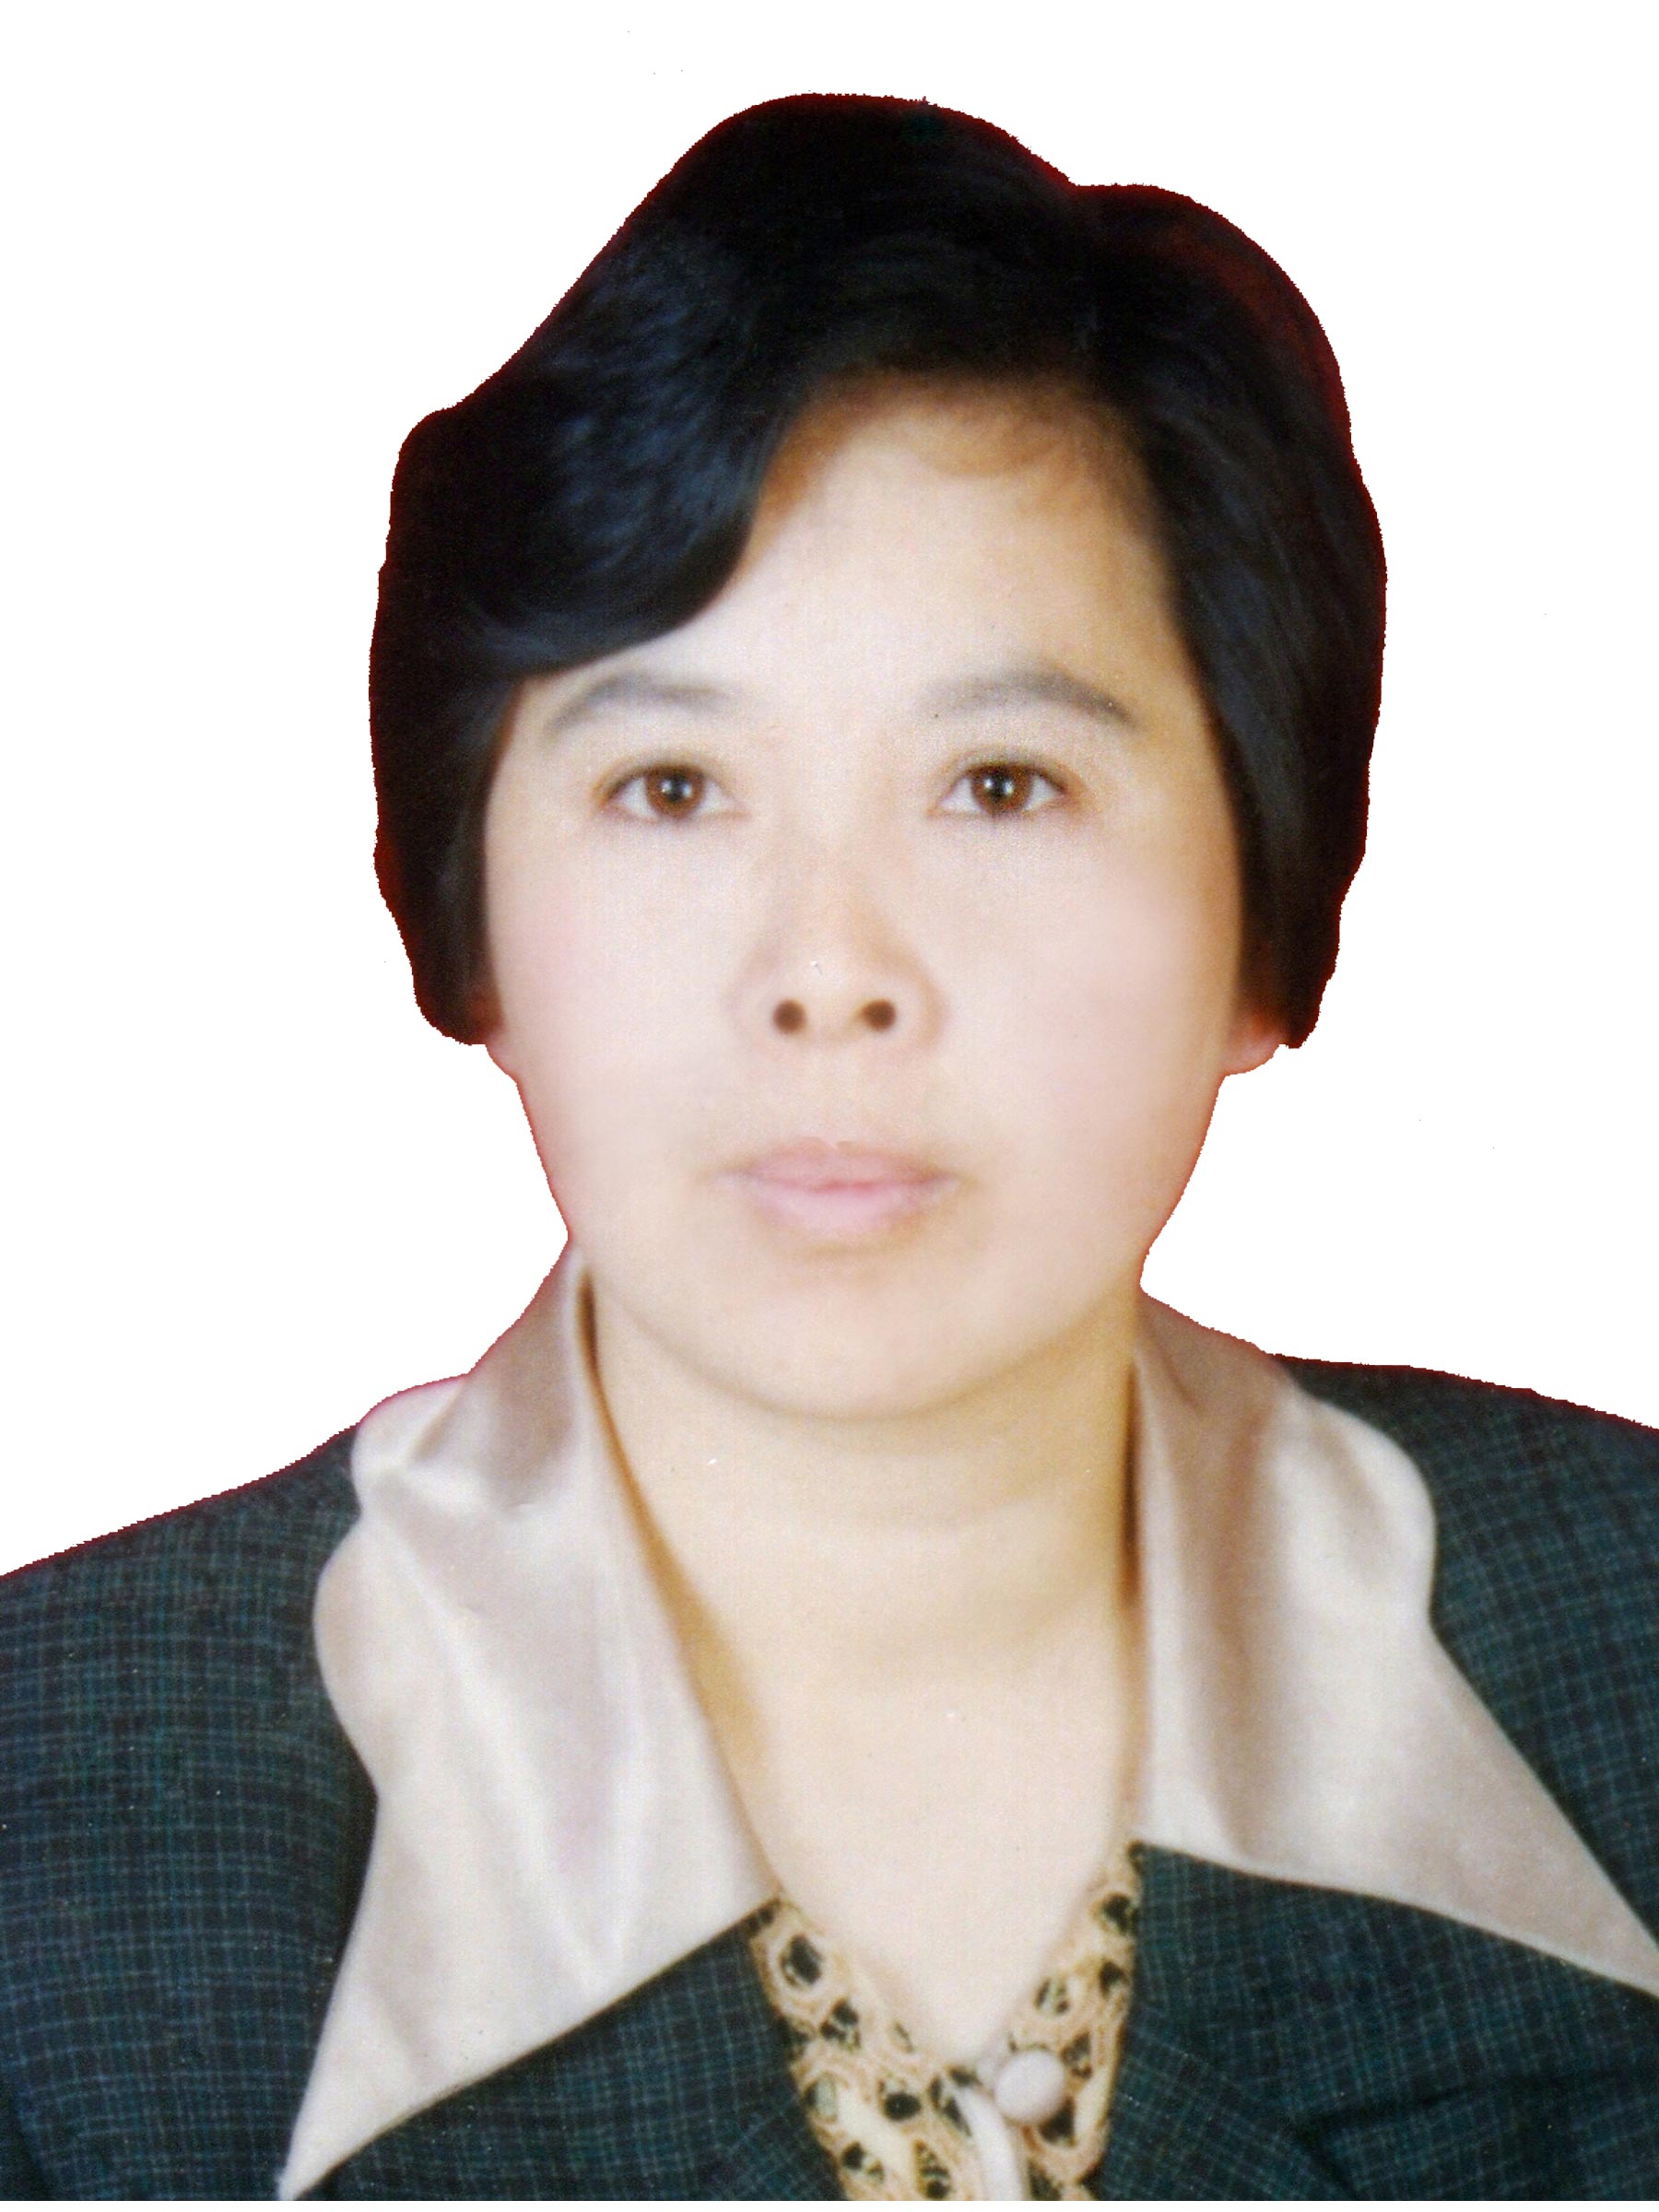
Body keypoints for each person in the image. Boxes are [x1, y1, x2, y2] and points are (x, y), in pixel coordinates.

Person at [3, 91, 1657, 2202]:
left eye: (1003, 786)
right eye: (673, 790)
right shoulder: (54, 1839)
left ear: (1267, 913)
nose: (831, 973)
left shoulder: (1621, 1648)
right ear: (469, 913)